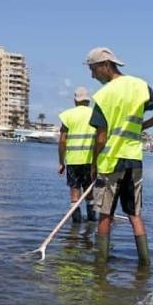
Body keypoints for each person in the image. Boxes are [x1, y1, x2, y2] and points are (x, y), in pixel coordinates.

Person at [86, 47, 153, 266]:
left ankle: (100, 266)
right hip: (134, 159)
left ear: (105, 65)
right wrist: (144, 125)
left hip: (110, 161)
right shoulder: (140, 86)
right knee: (135, 214)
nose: (92, 75)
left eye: (93, 69)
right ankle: (145, 265)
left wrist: (94, 164)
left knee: (105, 215)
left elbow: (101, 137)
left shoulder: (104, 95)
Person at [58, 87, 97, 223]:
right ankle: (92, 224)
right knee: (90, 194)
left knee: (75, 195)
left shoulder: (67, 115)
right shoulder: (96, 114)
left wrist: (61, 162)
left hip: (73, 161)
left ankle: (75, 228)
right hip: (91, 161)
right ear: (88, 101)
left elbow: (63, 140)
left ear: (75, 100)